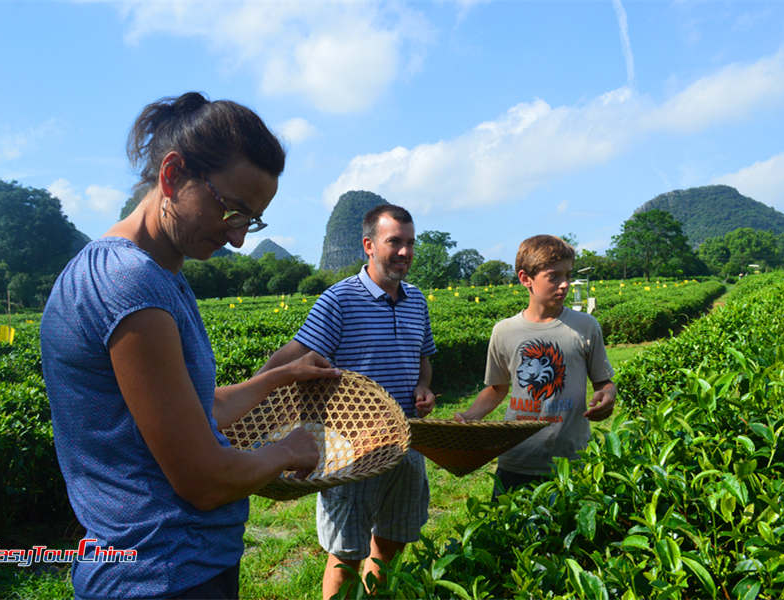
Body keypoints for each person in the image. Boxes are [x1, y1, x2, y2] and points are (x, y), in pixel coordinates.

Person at [40, 92, 339, 599]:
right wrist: (286, 450)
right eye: (231, 211)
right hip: (159, 574)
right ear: (173, 175)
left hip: (184, 566)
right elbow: (202, 478)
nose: (239, 238)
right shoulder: (128, 284)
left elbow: (194, 411)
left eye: (251, 221)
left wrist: (278, 378)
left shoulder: (158, 277)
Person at [259, 204, 436, 599]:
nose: (405, 252)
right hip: (351, 449)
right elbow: (297, 351)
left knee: (392, 541)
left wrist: (424, 387)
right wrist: (252, 392)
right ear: (368, 245)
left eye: (410, 243)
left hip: (406, 444)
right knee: (345, 554)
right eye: (395, 242)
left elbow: (424, 358)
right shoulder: (339, 300)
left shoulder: (417, 301)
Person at [455, 234, 616, 498]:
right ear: (525, 279)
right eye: (554, 277)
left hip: (570, 462)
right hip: (517, 459)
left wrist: (608, 395)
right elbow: (497, 388)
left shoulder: (586, 327)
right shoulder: (505, 331)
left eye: (567, 275)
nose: (564, 284)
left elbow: (603, 382)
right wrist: (471, 416)